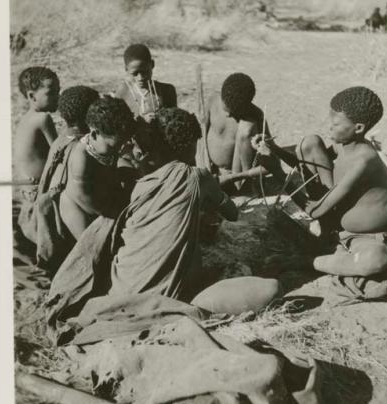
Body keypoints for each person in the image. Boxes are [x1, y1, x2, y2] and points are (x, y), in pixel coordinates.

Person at [49, 107, 281, 318]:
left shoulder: (135, 184)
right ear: (189, 147)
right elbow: (231, 213)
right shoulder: (195, 177)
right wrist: (216, 191)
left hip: (115, 294)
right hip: (157, 303)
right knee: (271, 288)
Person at [258, 86, 387, 279]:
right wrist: (275, 149)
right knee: (309, 144)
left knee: (376, 260)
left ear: (359, 128)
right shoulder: (342, 144)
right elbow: (305, 165)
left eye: (335, 124)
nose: (329, 127)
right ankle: (327, 236)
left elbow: (315, 211)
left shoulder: (363, 161)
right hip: (336, 217)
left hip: (366, 235)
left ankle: (308, 262)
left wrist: (276, 173)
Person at [17, 86, 102, 268]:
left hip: (46, 219)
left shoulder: (60, 140)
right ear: (90, 117)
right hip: (65, 226)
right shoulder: (82, 150)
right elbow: (82, 196)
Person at [59, 96, 135, 241]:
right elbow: (83, 195)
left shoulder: (108, 145)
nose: (118, 150)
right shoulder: (81, 158)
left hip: (101, 196)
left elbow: (117, 162)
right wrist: (110, 213)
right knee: (92, 246)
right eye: (114, 146)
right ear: (94, 134)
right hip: (79, 204)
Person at [196, 72, 283, 194]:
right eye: (224, 108)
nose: (227, 115)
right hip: (212, 172)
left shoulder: (255, 115)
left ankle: (246, 188)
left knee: (247, 127)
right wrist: (204, 165)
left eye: (233, 113)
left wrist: (239, 176)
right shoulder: (213, 101)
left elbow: (273, 159)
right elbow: (200, 135)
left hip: (237, 176)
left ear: (246, 107)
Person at [14, 66, 60, 193]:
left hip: (27, 189)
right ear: (32, 96)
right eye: (51, 93)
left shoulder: (25, 119)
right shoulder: (43, 119)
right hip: (40, 189)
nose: (57, 96)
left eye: (58, 91)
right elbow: (59, 152)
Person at [114, 43, 177, 122]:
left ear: (152, 64)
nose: (140, 78)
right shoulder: (123, 91)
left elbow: (173, 122)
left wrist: (160, 119)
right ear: (126, 69)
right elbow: (117, 123)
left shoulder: (166, 90)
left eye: (145, 72)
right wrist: (140, 120)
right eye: (135, 74)